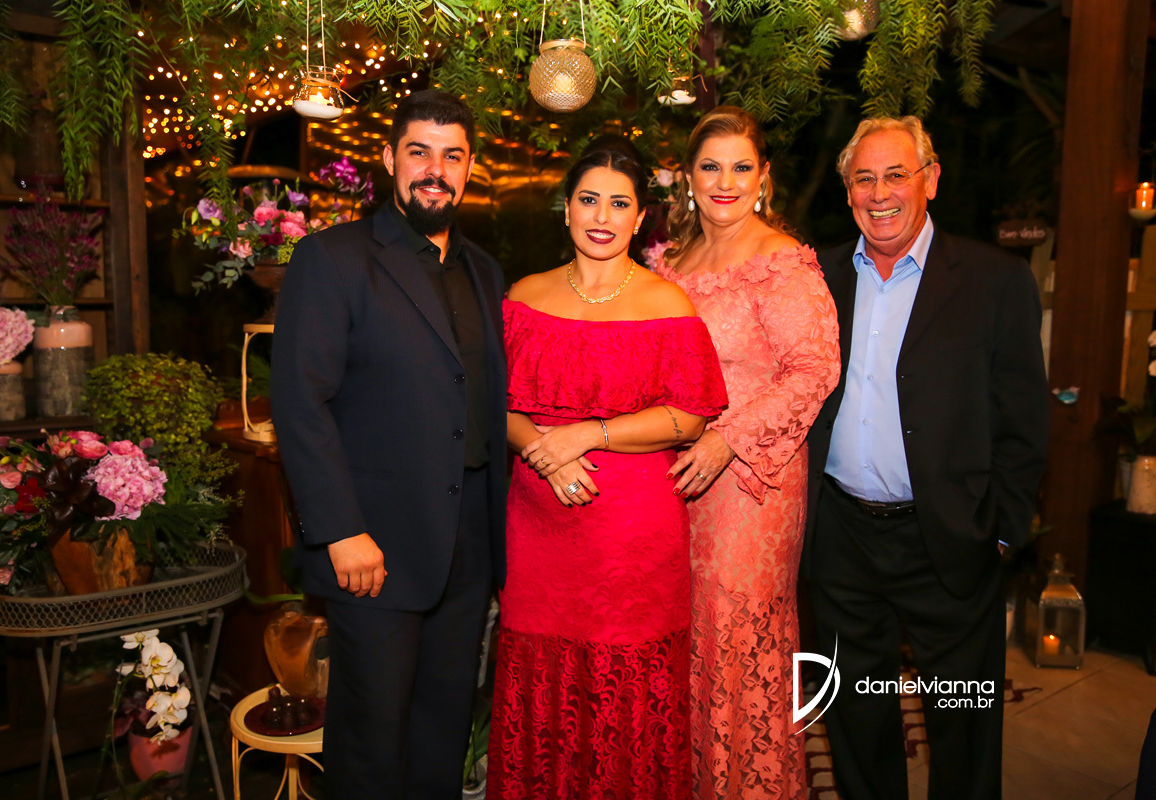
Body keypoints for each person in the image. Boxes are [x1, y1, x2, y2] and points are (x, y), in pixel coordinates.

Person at [803, 116, 1049, 800]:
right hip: (842, 540)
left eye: (896, 175)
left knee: (963, 720)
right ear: (847, 191)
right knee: (855, 716)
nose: (880, 193)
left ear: (930, 180)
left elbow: (1024, 422)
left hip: (950, 536)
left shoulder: (996, 281)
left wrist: (1001, 531)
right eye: (864, 178)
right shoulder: (818, 276)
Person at [271, 89, 507, 800]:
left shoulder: (484, 270)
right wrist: (341, 531)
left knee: (442, 732)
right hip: (373, 548)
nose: (436, 170)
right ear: (388, 159)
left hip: (467, 545)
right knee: (371, 745)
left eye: (452, 156)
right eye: (419, 152)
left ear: (469, 168)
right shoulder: (333, 257)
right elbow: (300, 403)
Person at [487, 137, 727, 800]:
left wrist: (587, 435)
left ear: (640, 216)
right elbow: (492, 403)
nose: (602, 216)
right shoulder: (524, 297)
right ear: (566, 208)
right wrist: (543, 451)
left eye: (619, 203)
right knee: (541, 688)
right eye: (589, 199)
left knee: (629, 702)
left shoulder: (667, 306)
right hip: (537, 536)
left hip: (634, 538)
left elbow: (691, 418)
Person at [651, 106, 841, 800]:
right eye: (710, 167)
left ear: (763, 177)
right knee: (677, 638)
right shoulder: (668, 263)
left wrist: (726, 439)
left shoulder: (780, 261)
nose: (724, 182)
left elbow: (815, 369)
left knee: (734, 642)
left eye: (740, 167)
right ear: (688, 177)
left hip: (750, 488)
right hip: (669, 481)